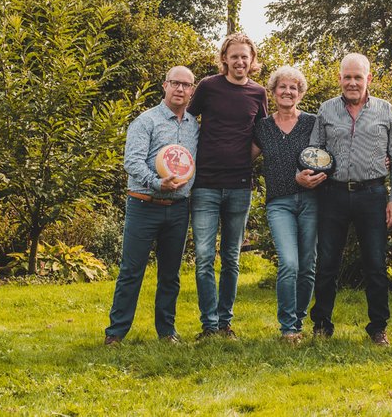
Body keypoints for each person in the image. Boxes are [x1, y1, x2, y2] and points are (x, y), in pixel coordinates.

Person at [297, 53, 392, 346]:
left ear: (369, 78)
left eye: (358, 77)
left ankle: (378, 327)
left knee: (375, 263)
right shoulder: (327, 110)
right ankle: (321, 324)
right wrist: (307, 173)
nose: (353, 82)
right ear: (340, 78)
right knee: (328, 262)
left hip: (372, 194)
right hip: (332, 194)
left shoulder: (385, 111)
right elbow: (313, 150)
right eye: (348, 77)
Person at [105, 66, 199, 345]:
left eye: (186, 85)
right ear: (165, 86)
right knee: (131, 271)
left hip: (179, 208)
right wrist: (158, 182)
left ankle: (167, 332)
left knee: (170, 275)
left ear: (192, 90)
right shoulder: (146, 121)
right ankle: (116, 333)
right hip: (144, 205)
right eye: (175, 83)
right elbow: (131, 162)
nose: (180, 89)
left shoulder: (194, 125)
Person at [188, 33, 268, 340]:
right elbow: (184, 120)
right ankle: (208, 326)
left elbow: (263, 133)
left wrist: (241, 156)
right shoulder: (208, 87)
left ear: (252, 60)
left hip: (239, 186)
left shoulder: (258, 92)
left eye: (245, 57)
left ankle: (225, 324)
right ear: (225, 59)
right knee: (206, 256)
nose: (239, 61)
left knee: (232, 258)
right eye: (234, 56)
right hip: (205, 185)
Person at [252, 66, 318, 343]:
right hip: (279, 202)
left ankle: (298, 320)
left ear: (300, 93)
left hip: (312, 200)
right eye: (283, 87)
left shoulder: (313, 123)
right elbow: (242, 157)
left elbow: (330, 156)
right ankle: (288, 327)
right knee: (289, 263)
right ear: (274, 91)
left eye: (294, 88)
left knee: (307, 265)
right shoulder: (263, 127)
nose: (288, 92)